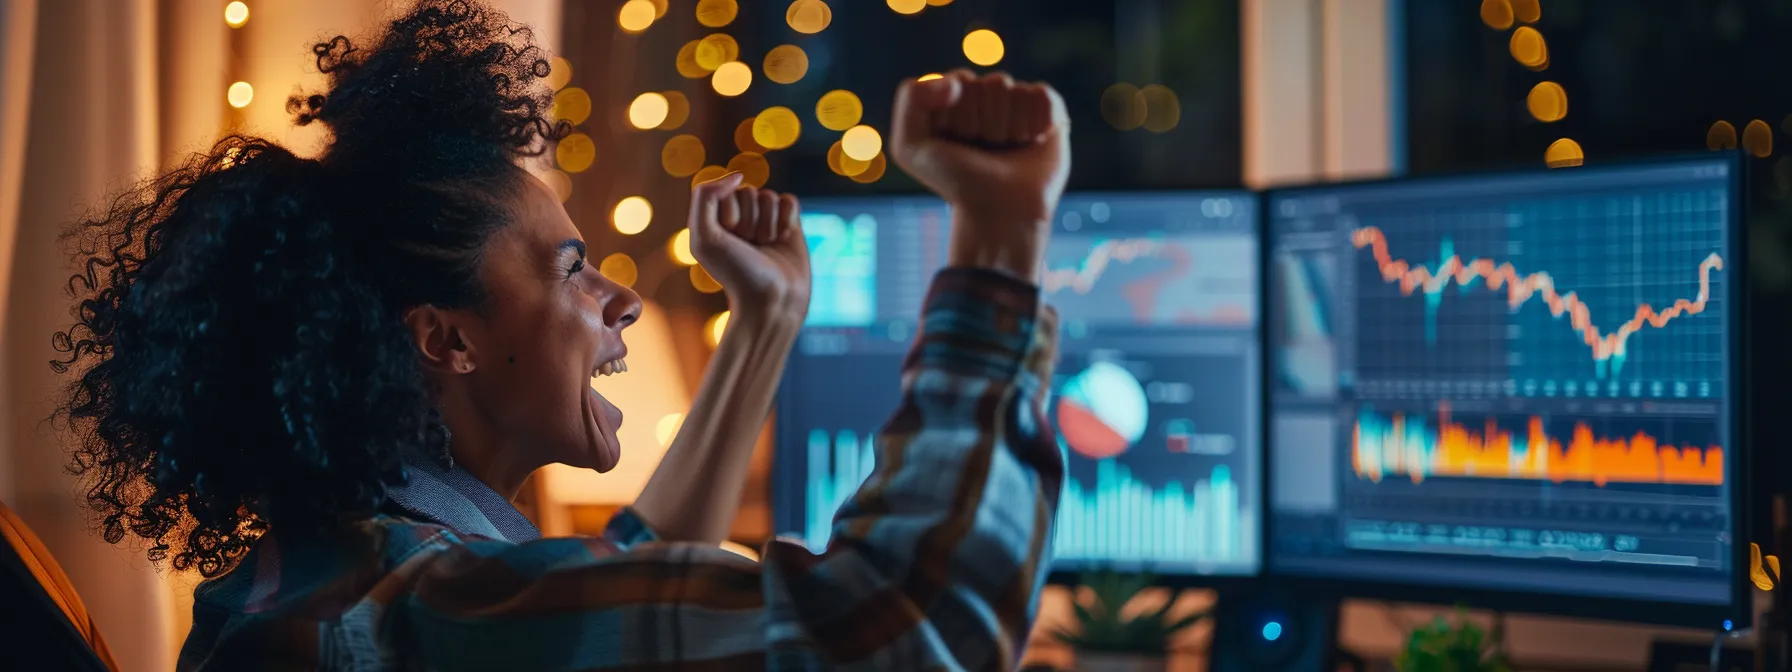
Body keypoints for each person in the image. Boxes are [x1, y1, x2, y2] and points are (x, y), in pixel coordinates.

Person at [50, 1, 1071, 669]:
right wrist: (1000, 233)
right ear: (445, 340)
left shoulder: (353, 569)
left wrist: (766, 323)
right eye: (572, 268)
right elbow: (907, 628)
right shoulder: (417, 610)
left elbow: (624, 574)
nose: (619, 299)